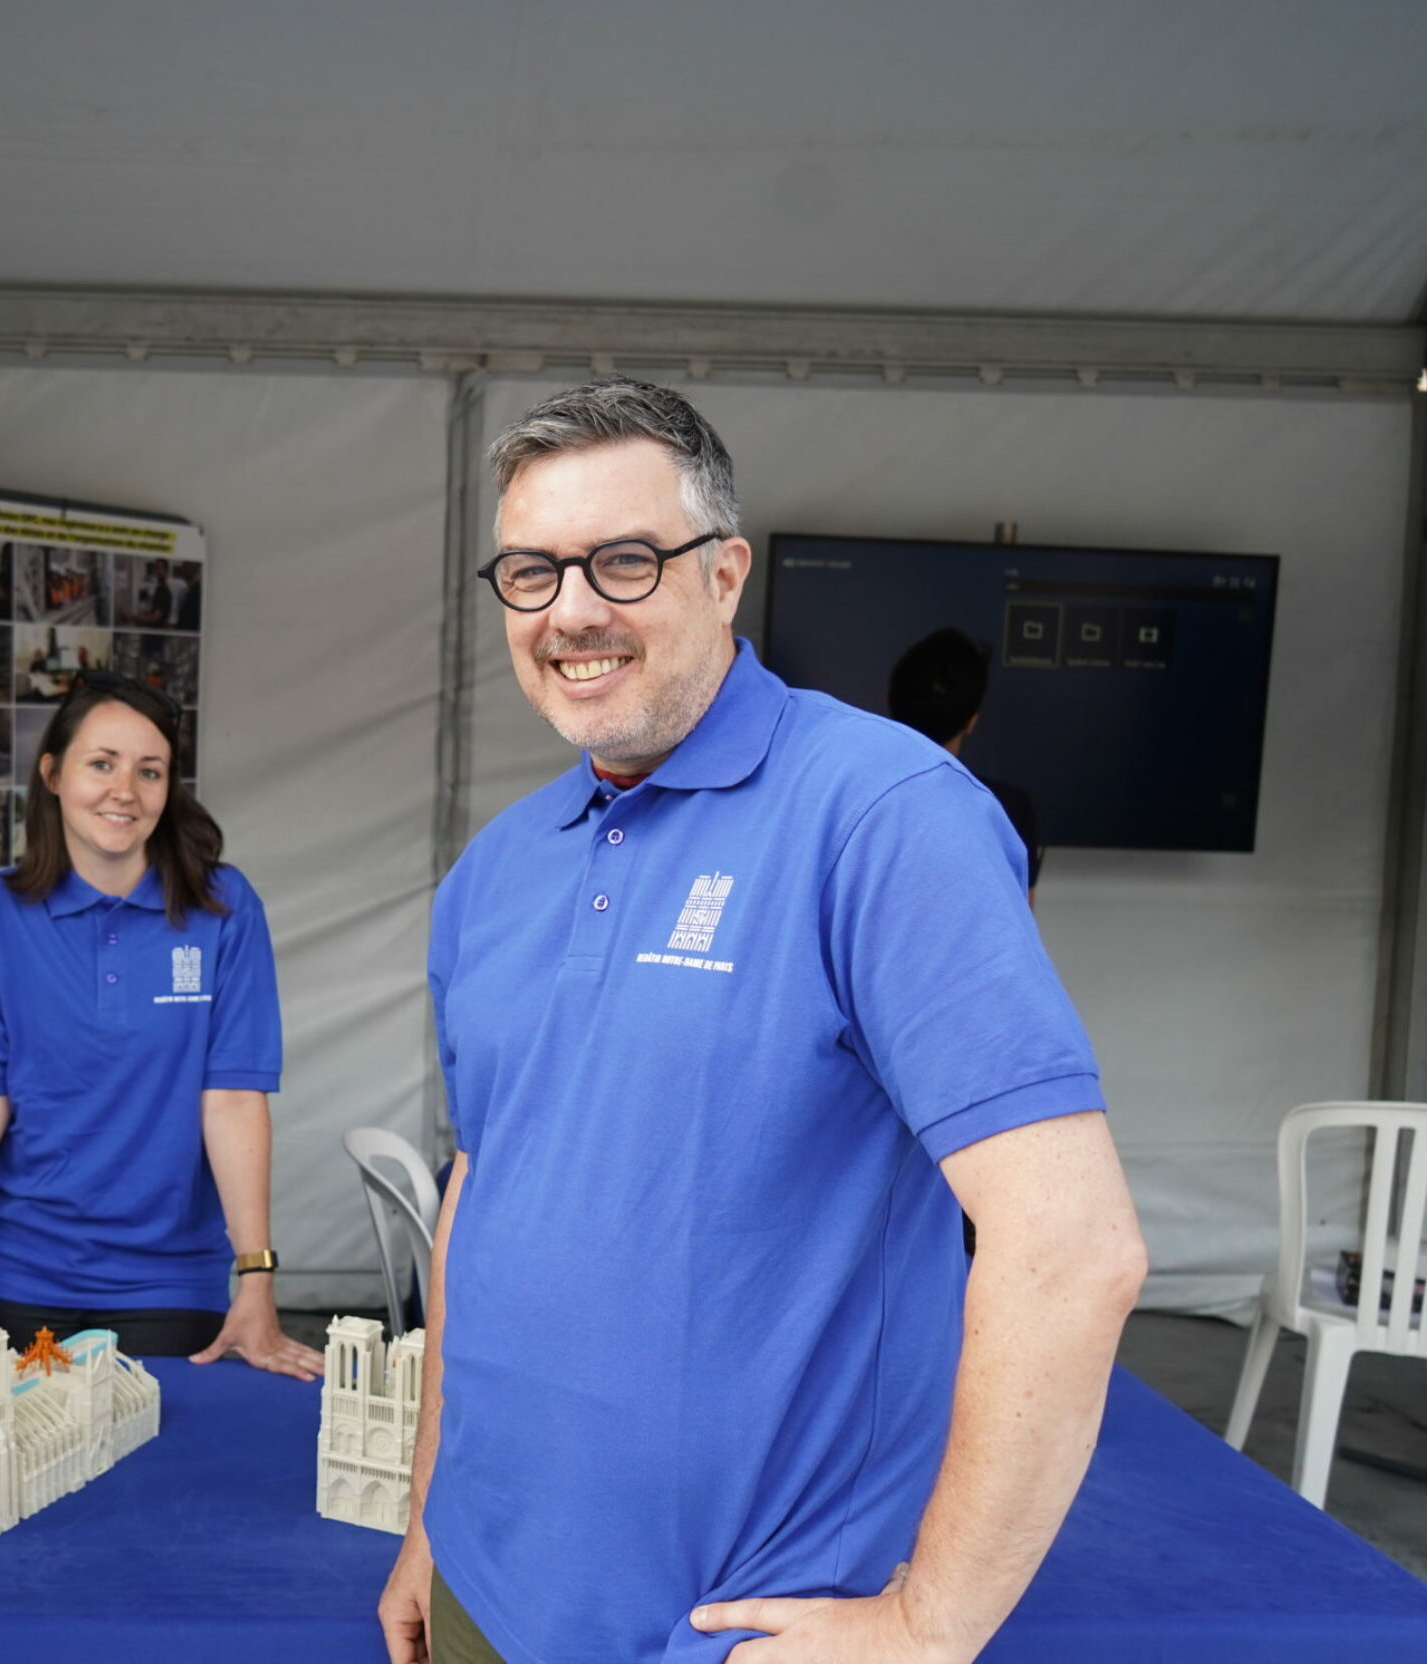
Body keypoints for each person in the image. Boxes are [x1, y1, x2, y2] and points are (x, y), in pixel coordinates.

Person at [383, 379, 1145, 1664]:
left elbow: (1074, 1252)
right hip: (483, 1590)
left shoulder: (885, 813)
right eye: (529, 571)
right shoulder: (495, 872)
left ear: (725, 574)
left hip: (733, 1628)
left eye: (623, 560)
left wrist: (928, 1624)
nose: (571, 610)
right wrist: (427, 1516)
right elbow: (481, 1196)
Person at [0, 673, 321, 1380]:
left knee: (160, 1483)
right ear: (53, 774)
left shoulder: (223, 908)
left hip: (169, 1283)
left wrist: (257, 1279)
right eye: (102, 764)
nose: (126, 790)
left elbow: (235, 1100)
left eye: (150, 771)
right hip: (11, 1278)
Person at [888, 626, 1043, 899]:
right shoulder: (1007, 811)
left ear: (889, 701)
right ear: (972, 720)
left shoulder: (844, 798)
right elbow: (1017, 930)